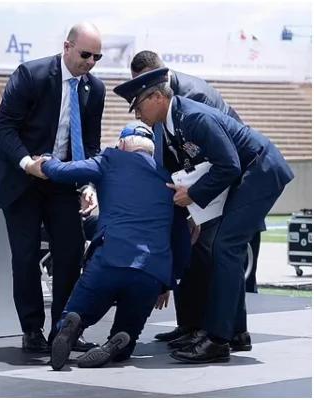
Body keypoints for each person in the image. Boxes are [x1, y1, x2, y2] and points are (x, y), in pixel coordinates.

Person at [113, 67, 294, 363]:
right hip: (245, 175)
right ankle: (235, 333)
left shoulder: (193, 117)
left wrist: (193, 196)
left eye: (138, 105)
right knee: (224, 249)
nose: (137, 114)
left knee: (226, 247)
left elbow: (230, 165)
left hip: (260, 171)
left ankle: (218, 340)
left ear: (158, 97)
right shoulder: (175, 122)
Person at [0, 22, 105, 353]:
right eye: (85, 54)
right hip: (21, 179)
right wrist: (27, 164)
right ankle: (31, 329)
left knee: (71, 251)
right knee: (26, 254)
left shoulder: (96, 90)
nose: (90, 62)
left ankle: (64, 329)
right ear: (67, 46)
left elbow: (90, 144)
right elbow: (4, 130)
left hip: (61, 179)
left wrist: (89, 183)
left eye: (97, 57)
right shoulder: (30, 75)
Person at [130, 51, 262, 347]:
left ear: (158, 81)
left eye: (143, 90)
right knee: (187, 244)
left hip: (225, 181)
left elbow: (214, 158)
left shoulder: (193, 99)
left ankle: (214, 330)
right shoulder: (162, 103)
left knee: (213, 250)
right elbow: (169, 153)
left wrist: (196, 202)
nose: (139, 99)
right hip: (196, 180)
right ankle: (190, 324)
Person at [27, 122, 183, 369]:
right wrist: (166, 281)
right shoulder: (167, 179)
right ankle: (116, 345)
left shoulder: (110, 159)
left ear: (121, 144)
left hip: (110, 259)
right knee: (128, 333)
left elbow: (64, 171)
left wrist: (45, 160)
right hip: (151, 272)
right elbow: (179, 236)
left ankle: (71, 325)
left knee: (76, 313)